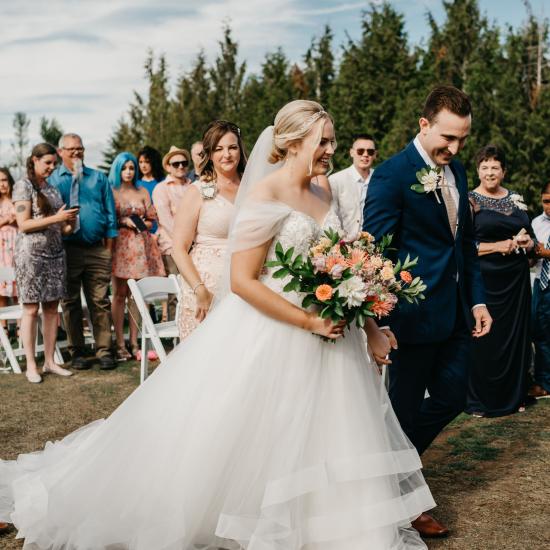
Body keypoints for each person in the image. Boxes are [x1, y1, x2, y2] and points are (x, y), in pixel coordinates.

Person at [0, 100, 434, 549]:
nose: (331, 149)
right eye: (322, 141)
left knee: (332, 428)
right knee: (253, 429)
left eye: (332, 140)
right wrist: (307, 319)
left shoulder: (324, 191)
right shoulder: (265, 194)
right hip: (278, 325)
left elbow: (343, 269)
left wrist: (371, 329)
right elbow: (243, 282)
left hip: (331, 332)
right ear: (290, 142)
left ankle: (331, 521)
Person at [364, 85, 491, 538]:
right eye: (448, 138)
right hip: (410, 318)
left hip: (456, 313)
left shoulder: (455, 170)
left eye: (462, 139)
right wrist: (378, 320)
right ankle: (405, 500)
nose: (455, 149)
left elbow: (466, 247)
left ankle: (391, 474)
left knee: (455, 397)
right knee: (400, 411)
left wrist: (476, 299)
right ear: (423, 125)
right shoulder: (391, 175)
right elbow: (374, 253)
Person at [466, 145, 535, 417]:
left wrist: (528, 242)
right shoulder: (469, 201)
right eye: (485, 167)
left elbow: (530, 236)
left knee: (516, 337)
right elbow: (464, 246)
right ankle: (481, 401)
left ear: (504, 171)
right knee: (485, 339)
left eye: (495, 167)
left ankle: (515, 395)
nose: (490, 172)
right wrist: (499, 246)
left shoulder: (516, 199)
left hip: (516, 281)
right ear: (478, 170)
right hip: (485, 281)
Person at [49, 133, 118, 370]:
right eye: (71, 149)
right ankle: (77, 351)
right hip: (67, 250)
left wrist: (108, 251)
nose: (77, 153)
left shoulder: (99, 178)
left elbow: (111, 216)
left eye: (80, 149)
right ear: (61, 152)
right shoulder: (53, 181)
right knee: (70, 302)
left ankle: (104, 350)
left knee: (100, 300)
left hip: (97, 249)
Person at [172, 121, 246, 339]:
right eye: (218, 149)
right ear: (209, 154)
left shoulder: (253, 189)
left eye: (232, 147)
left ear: (240, 150)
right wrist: (200, 290)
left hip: (246, 285)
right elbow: (178, 248)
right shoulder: (197, 191)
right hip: (207, 288)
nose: (227, 155)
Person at [13, 143, 78, 383]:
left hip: (55, 254)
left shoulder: (52, 189)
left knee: (51, 309)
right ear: (34, 160)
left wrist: (68, 222)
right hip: (31, 256)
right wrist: (56, 218)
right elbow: (24, 224)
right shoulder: (23, 186)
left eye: (54, 163)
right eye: (47, 162)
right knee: (31, 309)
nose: (52, 167)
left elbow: (61, 227)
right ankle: (31, 364)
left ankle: (50, 361)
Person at [108, 152, 165, 360]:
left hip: (141, 247)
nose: (128, 172)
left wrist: (141, 223)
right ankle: (120, 343)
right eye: (124, 168)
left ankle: (135, 341)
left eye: (131, 168)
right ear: (118, 169)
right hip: (121, 246)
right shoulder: (112, 192)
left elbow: (152, 219)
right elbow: (108, 219)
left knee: (138, 295)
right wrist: (124, 222)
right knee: (119, 294)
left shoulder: (142, 192)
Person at [152, 146, 192, 320]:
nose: (181, 167)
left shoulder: (194, 186)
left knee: (193, 288)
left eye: (184, 163)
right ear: (168, 167)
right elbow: (166, 220)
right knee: (176, 289)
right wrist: (186, 241)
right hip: (172, 246)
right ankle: (176, 332)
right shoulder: (161, 189)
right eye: (176, 164)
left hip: (197, 245)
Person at [329, 133, 377, 239]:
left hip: (376, 245)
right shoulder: (336, 180)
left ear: (375, 154)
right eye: (360, 151)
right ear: (351, 152)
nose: (365, 155)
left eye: (370, 151)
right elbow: (332, 215)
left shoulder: (381, 179)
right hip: (344, 245)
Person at [529, 182, 550, 399]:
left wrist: (547, 253)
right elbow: (534, 256)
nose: (549, 206)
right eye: (546, 201)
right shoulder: (536, 223)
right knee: (540, 334)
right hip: (541, 285)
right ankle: (544, 383)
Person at [0, 168, 18, 311]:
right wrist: (6, 219)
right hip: (1, 249)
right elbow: (10, 218)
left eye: (4, 180)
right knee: (1, 292)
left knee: (18, 289)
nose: (2, 184)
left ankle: (20, 328)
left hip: (15, 245)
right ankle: (3, 330)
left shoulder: (17, 200)